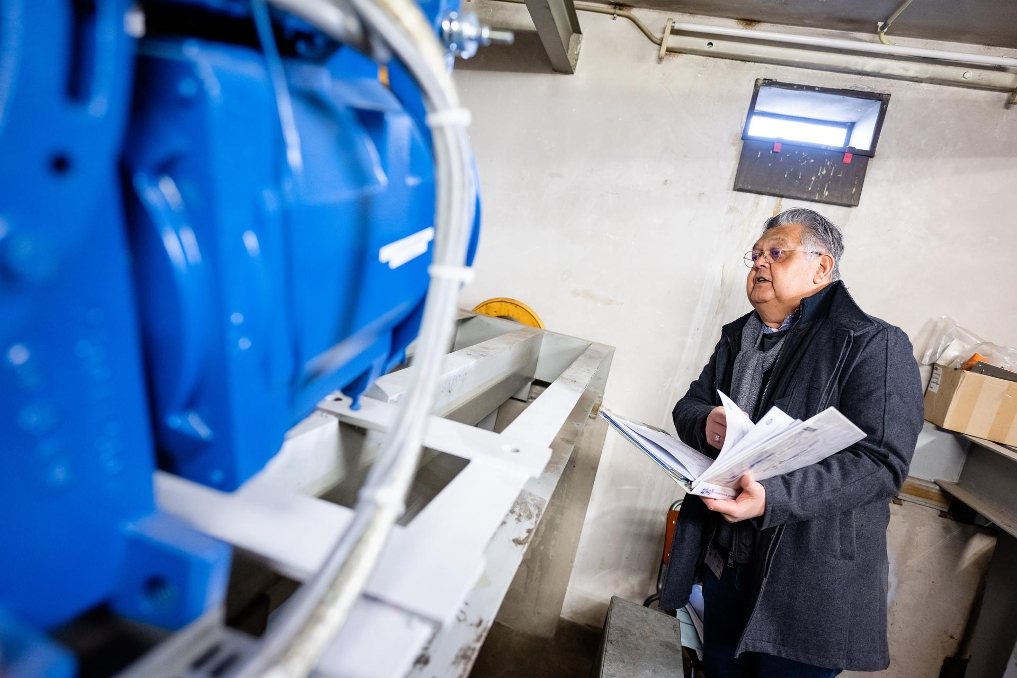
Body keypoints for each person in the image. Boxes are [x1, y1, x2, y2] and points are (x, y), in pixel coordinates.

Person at [659, 208, 924, 677]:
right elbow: (689, 406)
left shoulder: (871, 343)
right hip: (726, 563)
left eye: (776, 253)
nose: (759, 263)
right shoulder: (739, 337)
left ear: (822, 268)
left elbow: (883, 463)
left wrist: (773, 497)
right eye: (756, 255)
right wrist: (707, 423)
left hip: (806, 580)